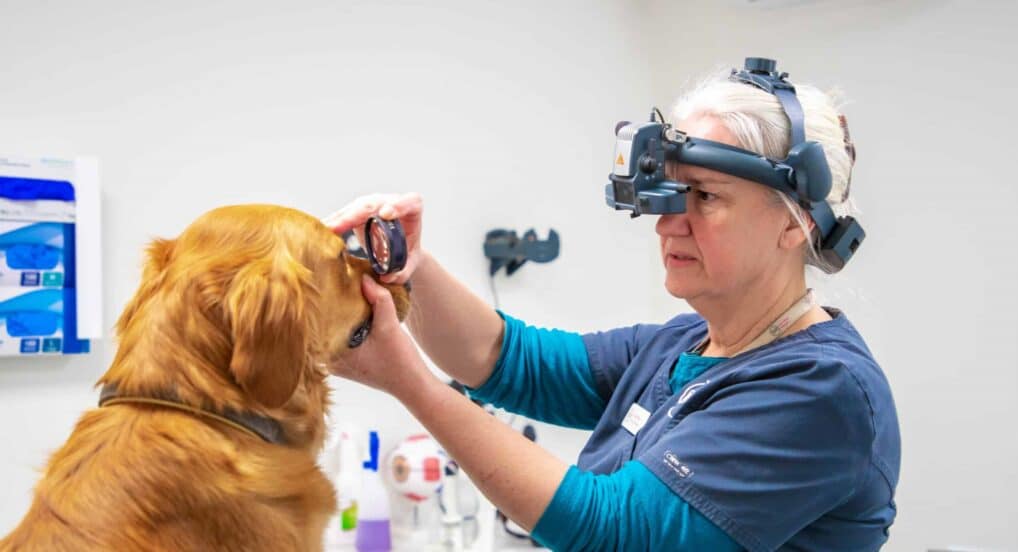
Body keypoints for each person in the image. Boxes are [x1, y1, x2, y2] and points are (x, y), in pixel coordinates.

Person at [323, 62, 899, 551]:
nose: (669, 223)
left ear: (792, 222)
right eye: (669, 193)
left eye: (704, 196)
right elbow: (507, 360)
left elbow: (613, 532)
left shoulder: (821, 391)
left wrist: (410, 385)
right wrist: (413, 268)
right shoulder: (683, 344)